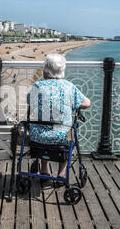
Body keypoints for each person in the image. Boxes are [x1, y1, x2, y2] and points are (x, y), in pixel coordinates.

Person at [27, 53, 91, 187]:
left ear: (46, 70)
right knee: (70, 132)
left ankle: (44, 171)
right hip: (61, 137)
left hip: (37, 137)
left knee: (41, 126)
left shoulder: (37, 86)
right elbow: (86, 103)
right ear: (61, 70)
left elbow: (29, 100)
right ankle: (61, 173)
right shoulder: (68, 86)